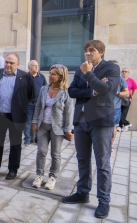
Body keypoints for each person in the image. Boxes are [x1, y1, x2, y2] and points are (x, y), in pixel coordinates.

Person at [62, 40, 120, 219]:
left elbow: (106, 89)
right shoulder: (81, 68)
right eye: (86, 50)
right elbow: (72, 91)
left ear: (101, 52)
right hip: (81, 121)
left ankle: (104, 201)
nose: (87, 54)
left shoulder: (111, 68)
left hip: (101, 122)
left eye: (92, 50)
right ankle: (82, 192)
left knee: (102, 164)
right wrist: (93, 91)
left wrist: (89, 76)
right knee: (82, 159)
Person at [0, 53, 34, 180]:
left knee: (15, 144)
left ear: (18, 64)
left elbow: (30, 95)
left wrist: (19, 106)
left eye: (11, 63)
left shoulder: (25, 76)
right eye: (7, 62)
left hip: (15, 116)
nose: (8, 65)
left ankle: (13, 169)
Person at [31, 64, 74, 190]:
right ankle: (39, 175)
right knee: (41, 151)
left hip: (58, 128)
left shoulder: (66, 92)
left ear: (61, 77)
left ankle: (52, 177)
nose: (50, 76)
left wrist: (67, 129)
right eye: (50, 73)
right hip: (43, 125)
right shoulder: (44, 89)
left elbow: (69, 112)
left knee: (55, 154)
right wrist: (34, 122)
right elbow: (38, 106)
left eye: (53, 74)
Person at [23, 60, 47, 146]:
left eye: (37, 65)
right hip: (29, 104)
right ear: (29, 67)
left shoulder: (42, 77)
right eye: (34, 65)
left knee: (38, 122)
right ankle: (27, 139)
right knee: (28, 122)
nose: (37, 67)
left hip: (39, 104)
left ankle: (38, 139)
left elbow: (45, 89)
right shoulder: (25, 77)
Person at [108, 61, 128, 153]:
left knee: (113, 127)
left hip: (115, 108)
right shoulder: (103, 77)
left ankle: (110, 145)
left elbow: (127, 93)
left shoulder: (120, 79)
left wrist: (117, 93)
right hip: (101, 107)